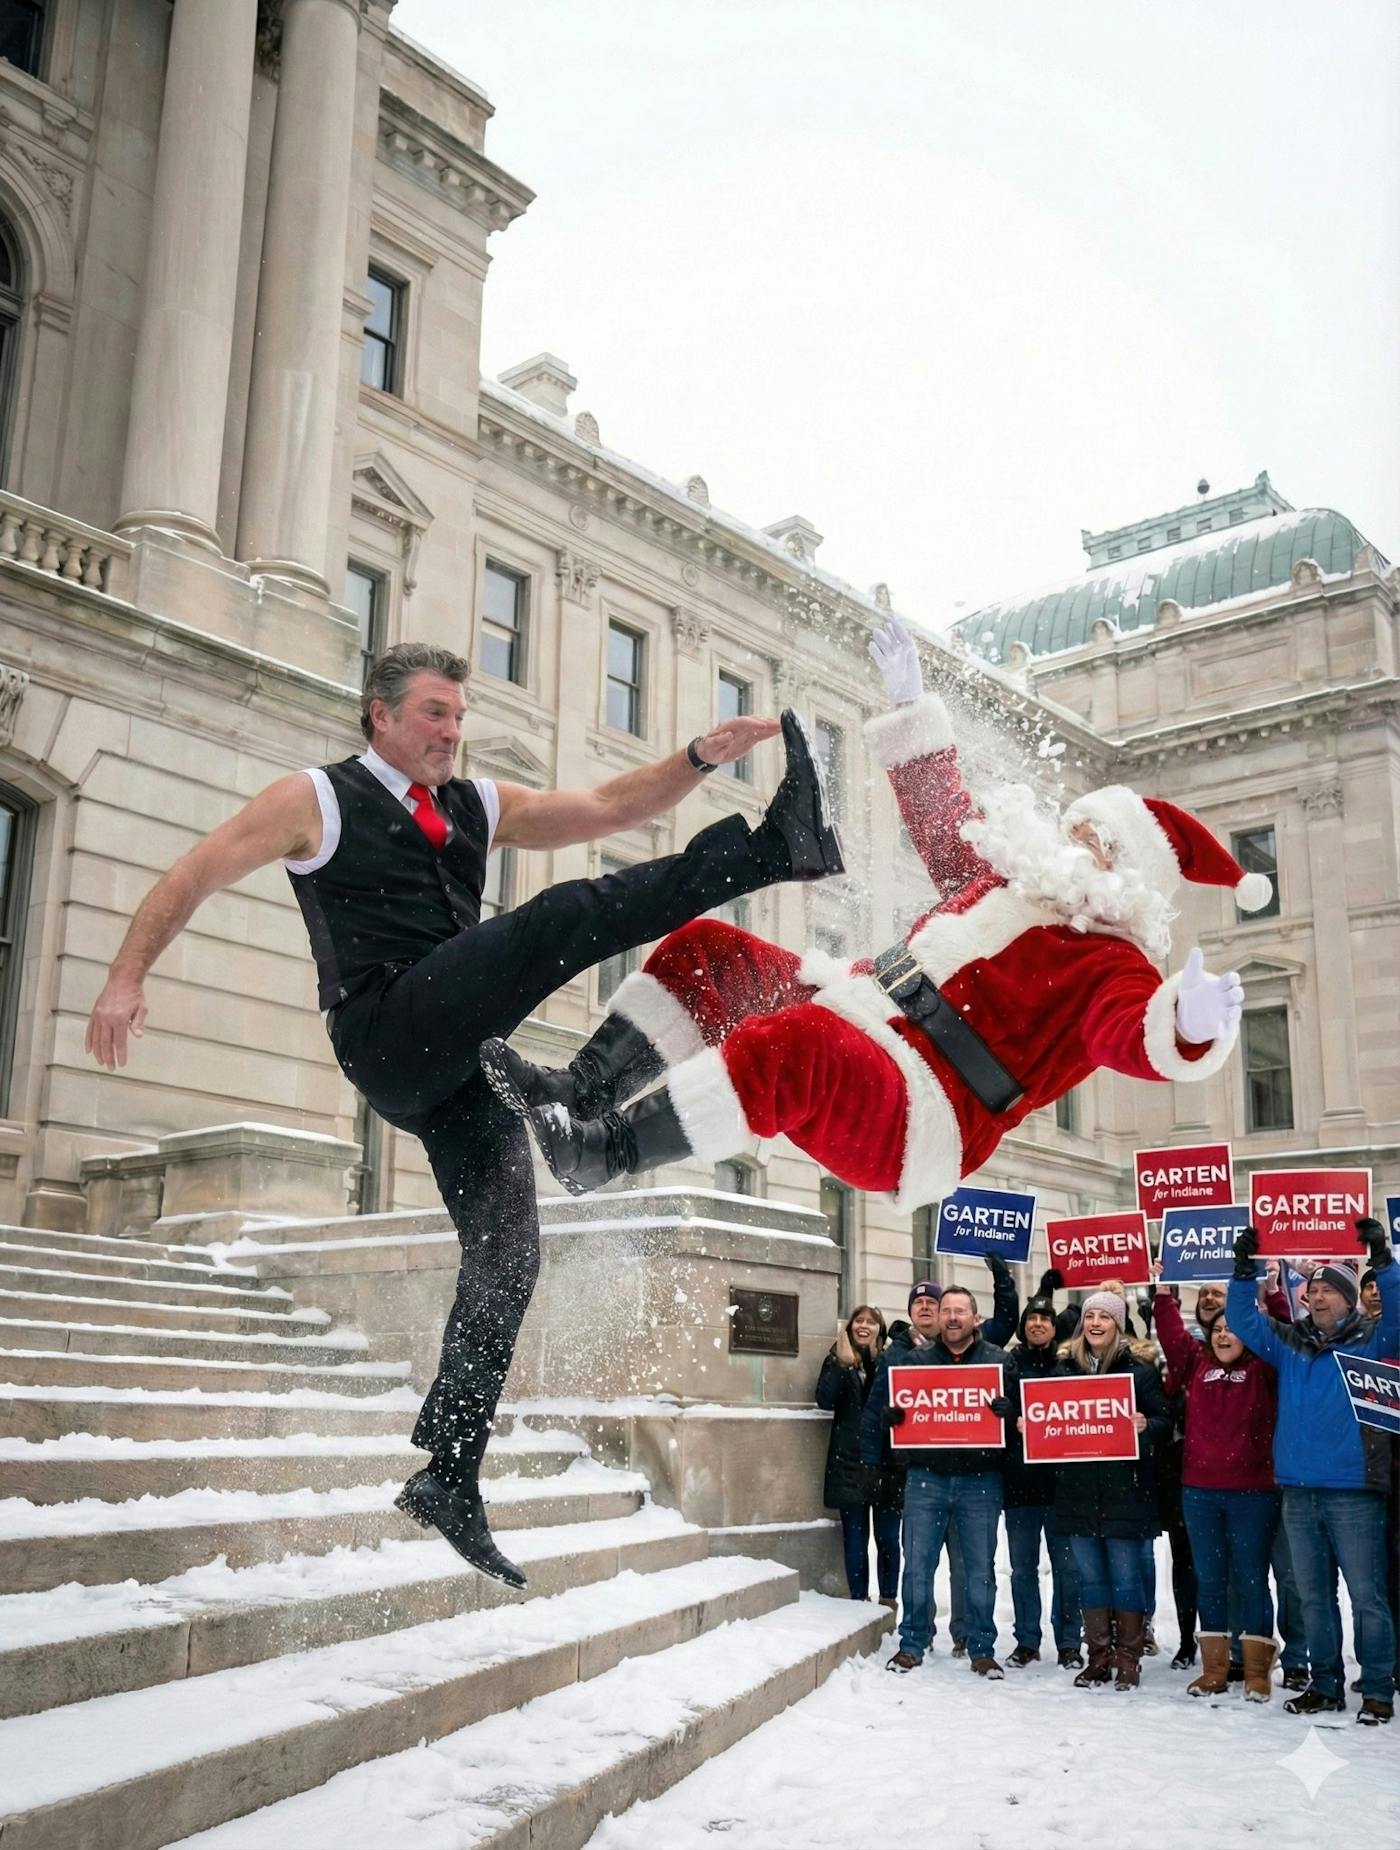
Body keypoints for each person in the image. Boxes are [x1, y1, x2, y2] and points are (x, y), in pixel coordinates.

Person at [84, 642, 842, 1588]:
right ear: (381, 716)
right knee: (564, 916)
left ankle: (449, 1470)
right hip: (386, 1028)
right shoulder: (315, 801)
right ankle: (777, 849)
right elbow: (194, 872)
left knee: (509, 1250)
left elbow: (608, 809)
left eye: (457, 715)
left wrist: (695, 757)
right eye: (434, 713)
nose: (452, 731)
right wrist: (124, 979)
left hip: (457, 1054)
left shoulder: (479, 806)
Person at [487, 618, 1264, 1206]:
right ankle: (581, 1093)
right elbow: (942, 819)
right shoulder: (1011, 882)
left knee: (793, 1046)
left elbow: (1129, 1035)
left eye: (1093, 840)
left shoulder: (1112, 967)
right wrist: (909, 707)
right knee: (710, 953)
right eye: (1077, 824)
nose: (1068, 839)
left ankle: (605, 1153)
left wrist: (1187, 1023)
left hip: (921, 1105)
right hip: (857, 1006)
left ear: (1124, 876)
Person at [1228, 1219, 1399, 1725]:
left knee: (1368, 1597)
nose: (1318, 1298)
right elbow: (1244, 1319)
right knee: (1311, 1597)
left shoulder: (1373, 1342)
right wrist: (1244, 1271)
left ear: (1349, 1300)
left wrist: (1383, 1263)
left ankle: (1377, 1688)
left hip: (1354, 1490)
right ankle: (1324, 1684)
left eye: (1328, 1292)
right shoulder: (1291, 1342)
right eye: (1313, 1290)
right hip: (1298, 1490)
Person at [860, 1285, 1008, 1677]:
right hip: (927, 1478)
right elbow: (885, 1411)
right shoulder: (914, 1361)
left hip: (981, 1481)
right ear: (938, 1318)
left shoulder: (999, 1362)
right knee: (917, 1566)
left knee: (979, 1569)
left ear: (975, 1318)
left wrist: (1010, 1411)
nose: (953, 1317)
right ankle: (912, 1643)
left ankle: (981, 1647)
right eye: (947, 1311)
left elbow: (1026, 1419)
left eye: (961, 1310)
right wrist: (890, 1420)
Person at [1152, 1274, 1281, 1701]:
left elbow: (1280, 1330)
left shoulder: (1263, 1367)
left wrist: (1275, 1295)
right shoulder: (1197, 1363)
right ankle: (1215, 1668)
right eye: (1219, 1328)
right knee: (1209, 1578)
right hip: (1199, 1490)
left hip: (1252, 1491)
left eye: (1235, 1328)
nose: (1225, 1334)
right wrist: (1163, 1292)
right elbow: (1172, 1336)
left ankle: (1258, 1671)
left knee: (1250, 1579)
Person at [1050, 1292, 1172, 1692]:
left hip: (1126, 1491)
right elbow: (1046, 1416)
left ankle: (1129, 1659)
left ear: (1118, 1324)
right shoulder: (1064, 1370)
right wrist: (1032, 1427)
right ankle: (1098, 1657)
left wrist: (1146, 1425)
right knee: (1091, 1579)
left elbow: (1163, 1421)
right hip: (1079, 1492)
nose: (1096, 1323)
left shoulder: (1140, 1371)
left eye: (1105, 1316)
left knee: (1125, 1578)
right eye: (1090, 1316)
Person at [881, 1281, 968, 1653]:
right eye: (918, 1303)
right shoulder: (896, 1355)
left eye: (934, 1302)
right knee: (918, 1563)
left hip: (967, 1475)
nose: (927, 1308)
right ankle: (918, 1634)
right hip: (919, 1475)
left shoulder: (971, 1351)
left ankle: (965, 1634)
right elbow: (877, 1413)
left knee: (966, 1566)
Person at [1001, 1276, 1083, 1668]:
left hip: (1062, 1484)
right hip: (1019, 1484)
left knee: (1068, 1568)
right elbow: (992, 1415)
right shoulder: (1007, 1365)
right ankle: (1027, 1640)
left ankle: (1069, 1641)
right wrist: (1008, 1417)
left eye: (1044, 1319)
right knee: (1022, 1570)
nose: (1037, 1324)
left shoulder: (1068, 1364)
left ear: (1054, 1327)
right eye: (1031, 1318)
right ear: (1024, 1326)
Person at [816, 1305, 902, 1607]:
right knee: (855, 1539)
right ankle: (858, 1600)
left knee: (889, 1538)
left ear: (881, 1329)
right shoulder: (837, 1358)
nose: (864, 1326)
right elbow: (824, 1400)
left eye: (871, 1322)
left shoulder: (892, 1361)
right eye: (859, 1321)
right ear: (850, 1327)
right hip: (849, 1464)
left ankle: (889, 1598)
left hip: (887, 1463)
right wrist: (841, 1364)